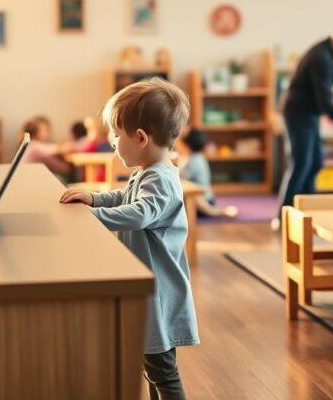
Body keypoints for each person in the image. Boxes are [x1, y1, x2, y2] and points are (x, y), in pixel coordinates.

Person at [60, 78, 198, 400]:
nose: (111, 141)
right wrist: (95, 200)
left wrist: (92, 217)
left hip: (157, 295)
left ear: (140, 138)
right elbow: (127, 197)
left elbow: (140, 213)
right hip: (148, 290)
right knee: (153, 369)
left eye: (116, 134)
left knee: (162, 373)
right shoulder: (148, 171)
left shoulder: (162, 178)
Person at [277, 26, 333, 229]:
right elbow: (325, 102)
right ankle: (284, 217)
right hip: (299, 114)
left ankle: (306, 212)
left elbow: (322, 100)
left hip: (308, 115)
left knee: (315, 162)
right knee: (301, 165)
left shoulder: (324, 51)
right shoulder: (321, 58)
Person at [180, 128, 237, 218]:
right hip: (209, 198)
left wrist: (180, 163)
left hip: (203, 201)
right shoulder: (200, 157)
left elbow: (181, 177)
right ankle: (220, 211)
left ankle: (220, 212)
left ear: (187, 144)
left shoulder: (194, 160)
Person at [20, 115, 73, 180]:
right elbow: (61, 149)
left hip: (30, 175)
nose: (48, 133)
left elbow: (55, 163)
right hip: (29, 177)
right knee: (60, 178)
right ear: (36, 132)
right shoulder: (35, 146)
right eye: (45, 130)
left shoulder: (34, 145)